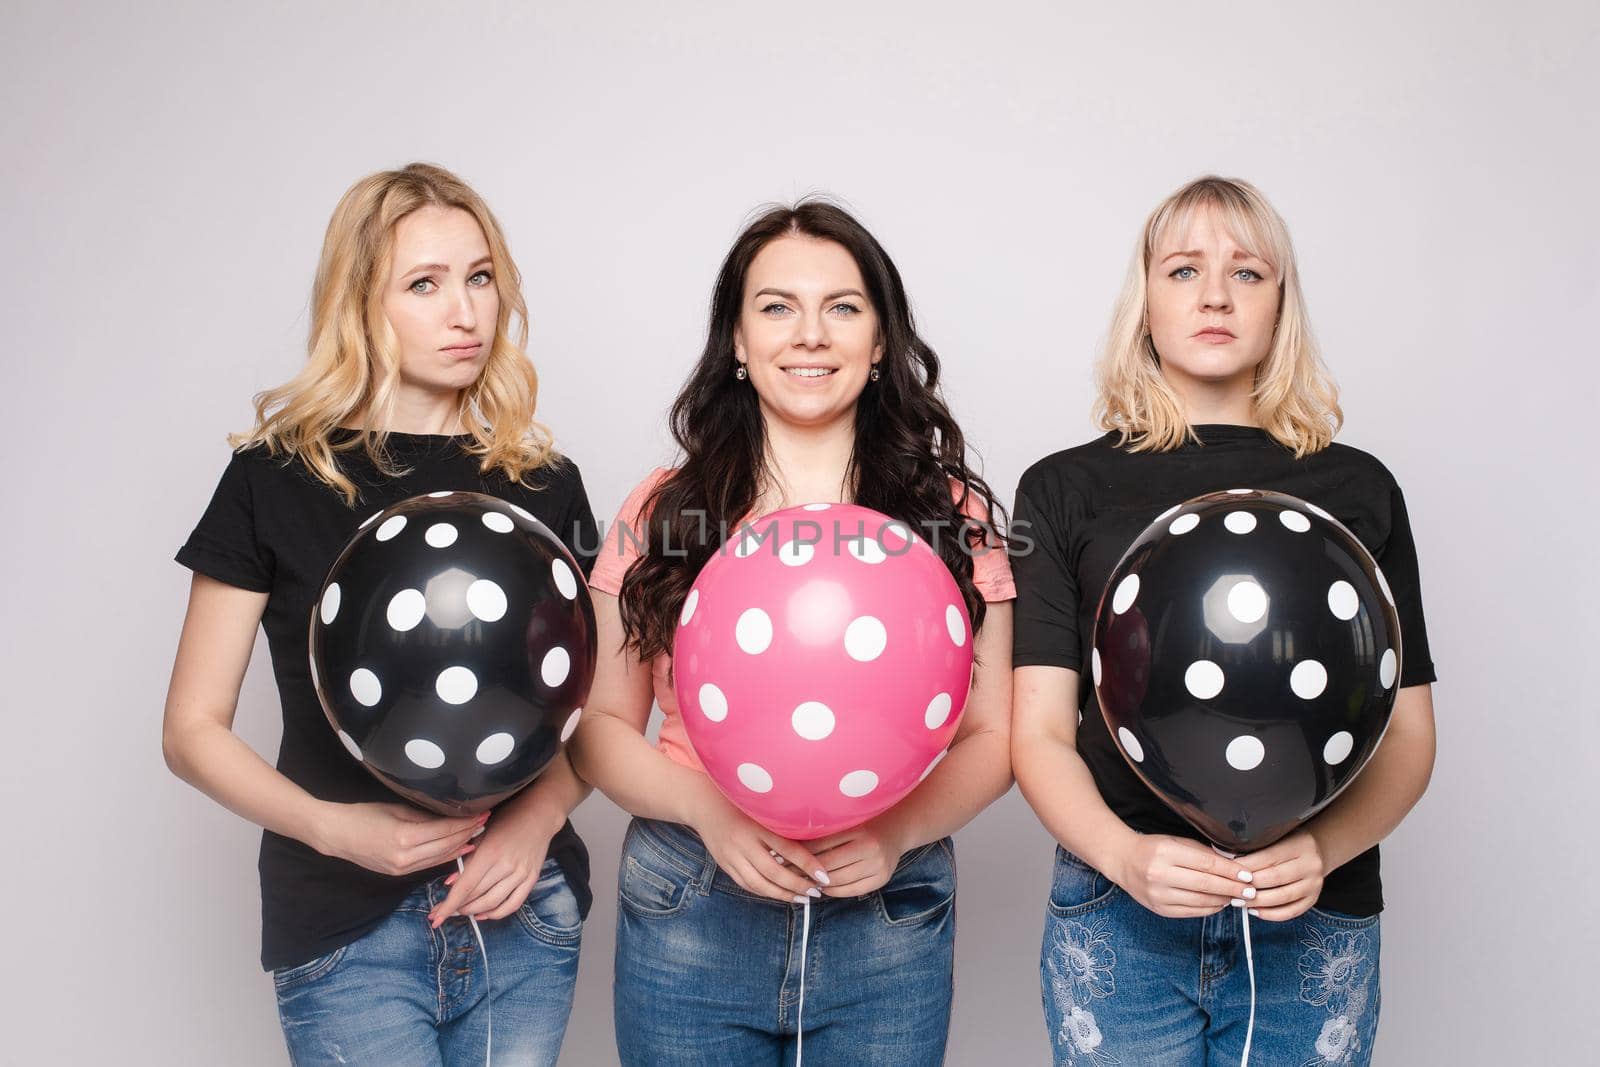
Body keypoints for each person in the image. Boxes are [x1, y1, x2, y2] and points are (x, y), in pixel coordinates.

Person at [163, 163, 595, 1066]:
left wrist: (534, 821)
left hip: (519, 908)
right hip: (340, 919)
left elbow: (599, 712)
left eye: (480, 278)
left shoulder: (545, 488)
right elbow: (191, 729)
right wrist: (333, 825)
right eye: (424, 285)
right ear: (362, 305)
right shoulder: (271, 480)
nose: (465, 313)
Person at [569, 199, 1015, 1065]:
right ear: (736, 341)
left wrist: (894, 833)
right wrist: (709, 811)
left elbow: (996, 734)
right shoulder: (664, 510)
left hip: (887, 908)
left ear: (881, 341)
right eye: (776, 306)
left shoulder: (951, 517)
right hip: (691, 899)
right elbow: (598, 730)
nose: (809, 334)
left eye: (843, 307)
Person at [1010, 175, 1437, 1066]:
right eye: (1183, 270)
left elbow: (1407, 736)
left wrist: (1323, 849)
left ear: (1281, 304)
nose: (1213, 294)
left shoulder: (1359, 489)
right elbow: (1040, 731)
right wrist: (1125, 857)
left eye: (1247, 272)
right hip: (1119, 912)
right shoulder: (1061, 489)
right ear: (1145, 300)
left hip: (1317, 918)